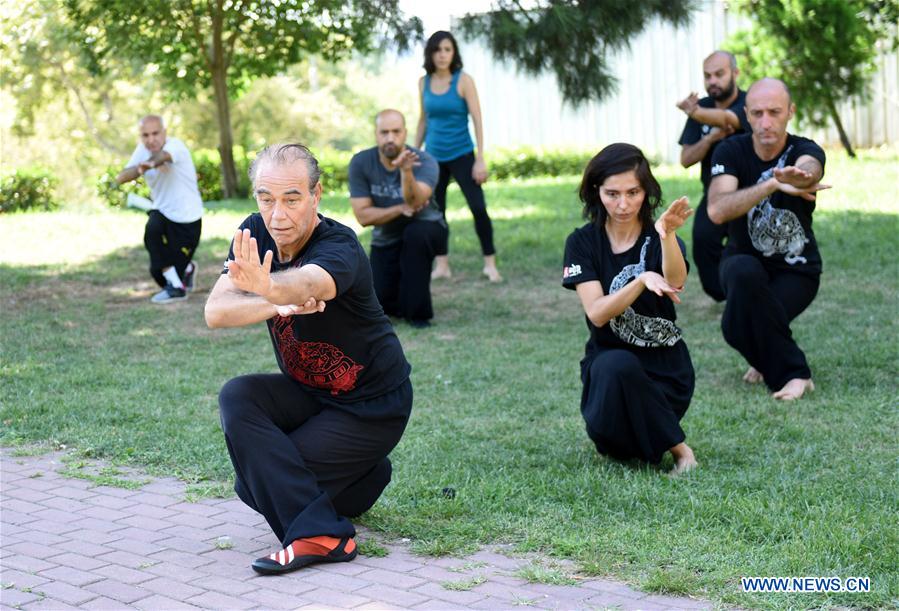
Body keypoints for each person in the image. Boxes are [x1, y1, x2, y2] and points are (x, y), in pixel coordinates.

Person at [205, 143, 412, 575]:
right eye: (266, 198)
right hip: (309, 394)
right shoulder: (253, 234)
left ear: (316, 195)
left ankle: (323, 535)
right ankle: (363, 479)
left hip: (371, 406)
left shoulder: (340, 245)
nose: (277, 215)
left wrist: (275, 290)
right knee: (239, 398)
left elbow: (310, 282)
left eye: (292, 199)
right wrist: (276, 304)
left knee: (258, 483)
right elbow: (217, 312)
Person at [562, 143, 698, 475]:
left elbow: (675, 280)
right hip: (608, 377)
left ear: (646, 191)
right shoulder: (582, 242)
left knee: (623, 368)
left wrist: (666, 236)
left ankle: (681, 451)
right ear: (596, 192)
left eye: (633, 192)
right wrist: (639, 281)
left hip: (666, 373)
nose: (623, 204)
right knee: (617, 370)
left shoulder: (659, 239)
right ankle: (650, 436)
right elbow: (596, 312)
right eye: (612, 194)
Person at [708, 78, 828, 401]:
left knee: (737, 327)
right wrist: (771, 185)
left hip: (796, 270)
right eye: (757, 113)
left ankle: (785, 369)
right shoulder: (730, 151)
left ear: (790, 112)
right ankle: (792, 371)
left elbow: (810, 168)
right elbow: (718, 210)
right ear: (746, 114)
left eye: (774, 112)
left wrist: (801, 176)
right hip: (742, 264)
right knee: (743, 275)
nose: (766, 122)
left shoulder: (805, 149)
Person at [415, 30, 501, 283]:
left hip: (463, 153)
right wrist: (413, 151)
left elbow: (477, 119)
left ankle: (490, 263)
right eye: (437, 50)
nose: (442, 55)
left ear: (454, 53)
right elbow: (423, 120)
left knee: (478, 207)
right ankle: (442, 264)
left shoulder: (464, 81)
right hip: (433, 157)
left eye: (447, 49)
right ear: (431, 53)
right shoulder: (423, 82)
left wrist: (480, 157)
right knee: (437, 212)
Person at [349, 109, 448, 328]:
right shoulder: (361, 162)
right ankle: (401, 300)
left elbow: (415, 201)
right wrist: (400, 209)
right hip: (386, 234)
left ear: (405, 133)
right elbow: (363, 216)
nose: (390, 138)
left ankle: (418, 314)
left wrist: (406, 171)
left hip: (427, 227)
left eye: (396, 132)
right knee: (382, 303)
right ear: (376, 134)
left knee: (417, 235)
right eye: (384, 132)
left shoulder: (425, 161)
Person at [676, 50, 751, 302]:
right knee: (703, 240)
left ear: (735, 73)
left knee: (748, 245)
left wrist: (693, 112)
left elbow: (729, 119)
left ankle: (748, 289)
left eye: (719, 74)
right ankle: (723, 294)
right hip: (715, 194)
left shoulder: (750, 103)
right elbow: (686, 159)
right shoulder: (703, 107)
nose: (712, 81)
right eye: (707, 76)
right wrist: (710, 138)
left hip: (750, 191)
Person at [116, 115, 202, 304]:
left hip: (188, 219)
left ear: (164, 133)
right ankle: (177, 289)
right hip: (162, 213)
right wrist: (140, 168)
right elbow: (121, 177)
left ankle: (186, 270)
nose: (151, 139)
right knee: (152, 233)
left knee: (163, 273)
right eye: (145, 135)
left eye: (155, 133)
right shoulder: (142, 151)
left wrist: (153, 163)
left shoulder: (175, 145)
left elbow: (164, 156)